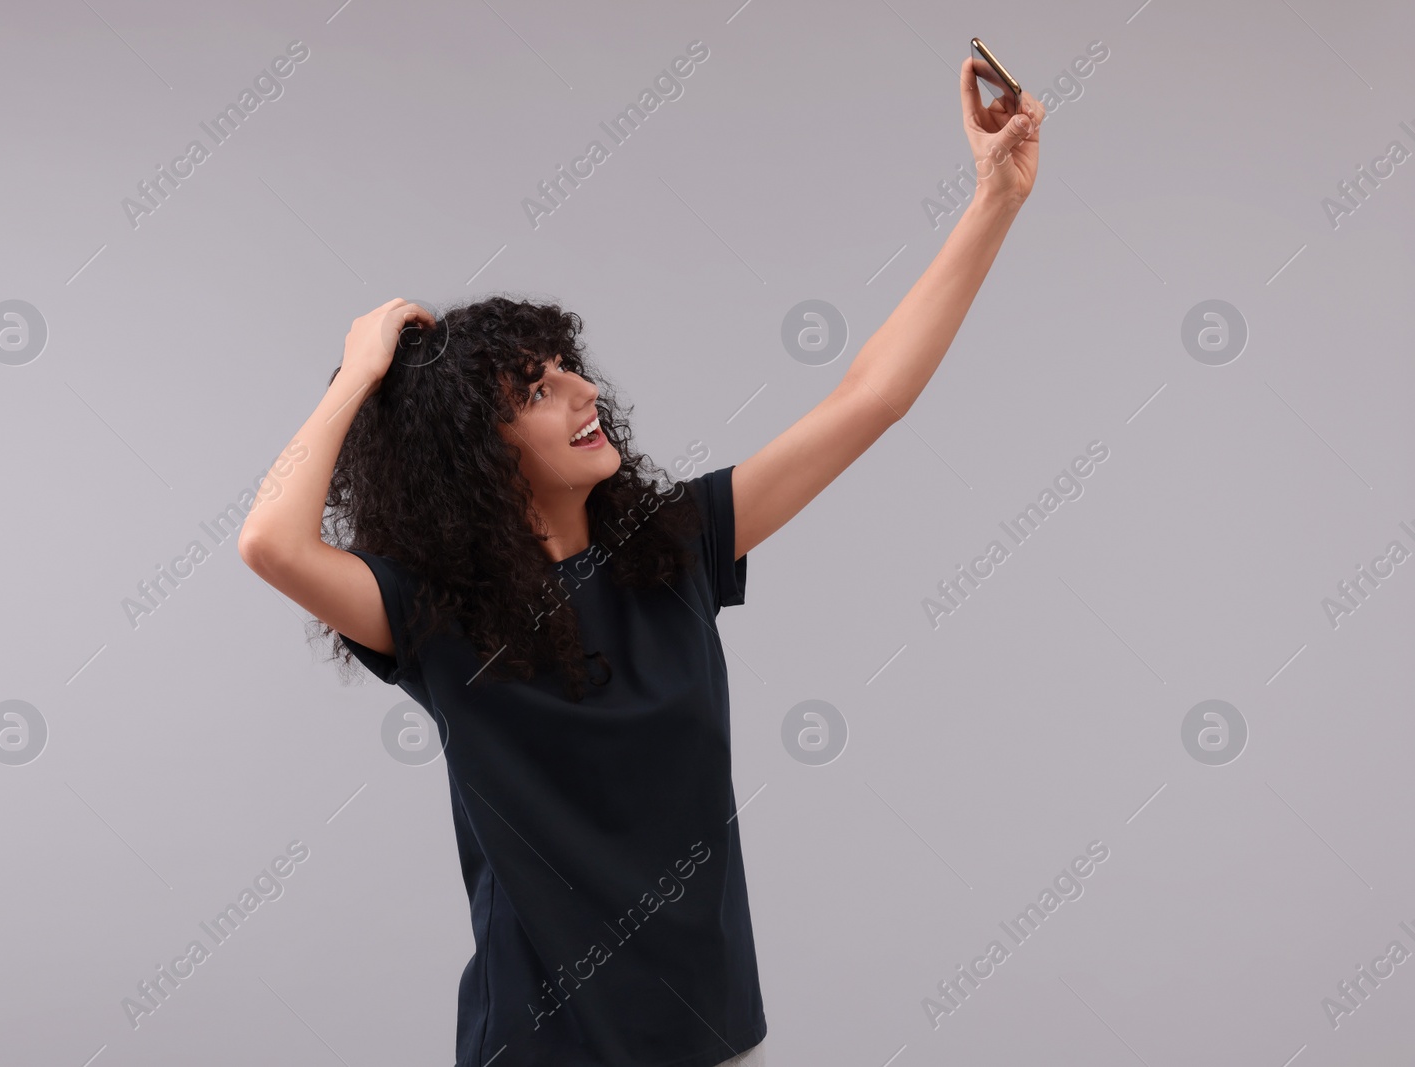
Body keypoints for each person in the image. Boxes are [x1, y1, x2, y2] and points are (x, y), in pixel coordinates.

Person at [238, 56, 1042, 1067]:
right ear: (477, 452)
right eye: (536, 388)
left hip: (709, 1034)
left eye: (570, 365)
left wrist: (995, 199)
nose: (581, 390)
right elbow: (268, 540)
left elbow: (869, 398)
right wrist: (361, 373)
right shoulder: (428, 616)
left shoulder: (675, 545)